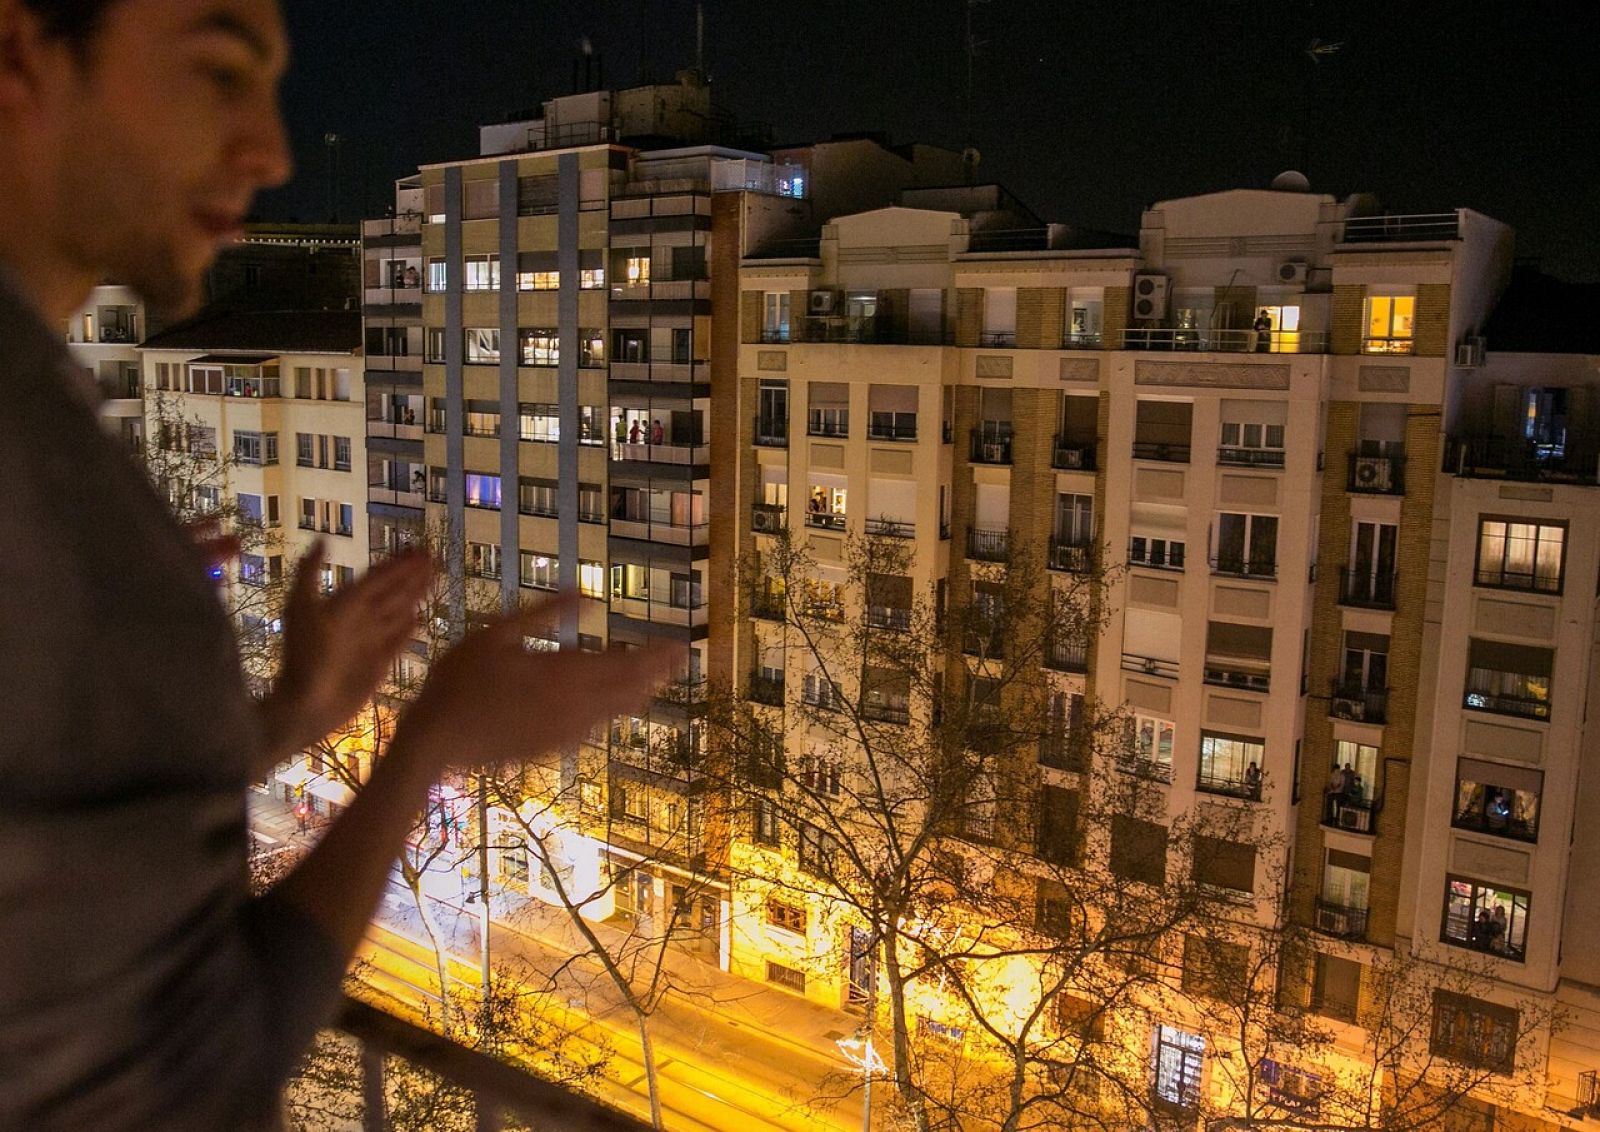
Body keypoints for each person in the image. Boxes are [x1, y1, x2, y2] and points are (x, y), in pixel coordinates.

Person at [0, 2, 674, 1128]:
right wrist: (428, 745)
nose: (267, 150)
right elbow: (200, 1068)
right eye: (218, 71)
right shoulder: (37, 474)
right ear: (20, 52)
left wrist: (280, 720)